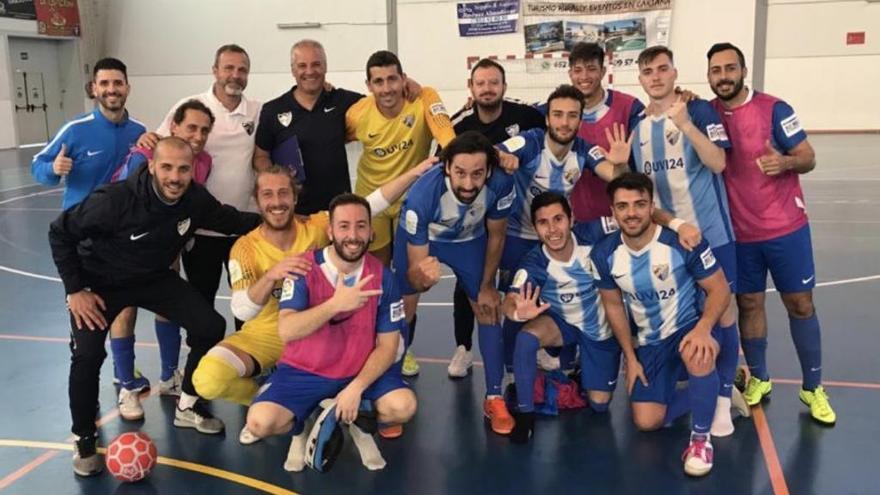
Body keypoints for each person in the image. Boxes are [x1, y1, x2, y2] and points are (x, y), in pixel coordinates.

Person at [49, 137, 262, 477]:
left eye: (183, 168)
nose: (175, 177)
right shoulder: (113, 201)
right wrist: (75, 290)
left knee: (209, 326)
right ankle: (84, 437)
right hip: (100, 283)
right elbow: (59, 232)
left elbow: (230, 220)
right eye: (166, 167)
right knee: (87, 355)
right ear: (151, 166)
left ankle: (188, 403)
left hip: (152, 278)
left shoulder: (194, 200)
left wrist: (282, 219)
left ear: (193, 170)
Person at [192, 157, 435, 444]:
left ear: (295, 198)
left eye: (284, 193)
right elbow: (241, 310)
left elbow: (369, 204)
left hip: (318, 330)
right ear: (257, 201)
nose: (277, 202)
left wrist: (415, 172)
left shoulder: (318, 226)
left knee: (392, 392)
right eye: (267, 194)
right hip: (270, 333)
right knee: (207, 379)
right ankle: (276, 403)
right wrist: (271, 276)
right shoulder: (245, 247)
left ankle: (321, 402)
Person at [707, 42, 834, 424]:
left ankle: (813, 387)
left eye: (730, 68)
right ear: (709, 76)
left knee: (800, 304)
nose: (724, 76)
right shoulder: (706, 113)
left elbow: (809, 156)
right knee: (749, 305)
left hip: (785, 229)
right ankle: (759, 377)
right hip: (739, 235)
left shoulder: (775, 108)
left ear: (743, 71)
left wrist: (787, 161)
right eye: (716, 70)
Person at [244, 194, 417, 468]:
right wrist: (334, 305)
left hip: (359, 371)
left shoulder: (383, 276)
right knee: (259, 422)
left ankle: (358, 420)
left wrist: (356, 388)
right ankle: (299, 431)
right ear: (331, 231)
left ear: (371, 231)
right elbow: (287, 330)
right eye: (344, 226)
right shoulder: (302, 267)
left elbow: (388, 346)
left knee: (403, 407)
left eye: (361, 226)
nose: (353, 234)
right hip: (304, 370)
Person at [633, 46, 747, 436]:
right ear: (641, 79)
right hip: (674, 240)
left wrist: (685, 125)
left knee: (724, 312)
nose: (656, 77)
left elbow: (718, 163)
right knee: (695, 319)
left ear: (674, 72)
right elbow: (644, 197)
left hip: (713, 235)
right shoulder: (637, 128)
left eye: (663, 69)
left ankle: (721, 401)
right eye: (648, 71)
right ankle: (705, 386)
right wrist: (676, 224)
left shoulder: (698, 111)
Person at [592, 173, 734, 477]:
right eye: (623, 206)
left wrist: (703, 327)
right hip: (651, 341)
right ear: (613, 210)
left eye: (639, 204)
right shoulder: (604, 254)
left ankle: (700, 440)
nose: (631, 213)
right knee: (647, 422)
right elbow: (613, 305)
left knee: (697, 352)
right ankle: (713, 391)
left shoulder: (682, 241)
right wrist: (630, 358)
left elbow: (720, 289)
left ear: (651, 206)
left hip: (689, 326)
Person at [31, 57, 151, 409]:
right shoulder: (76, 129)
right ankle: (86, 383)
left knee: (125, 308)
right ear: (94, 88)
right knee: (88, 322)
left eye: (118, 83)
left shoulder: (139, 132)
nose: (112, 89)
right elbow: (38, 165)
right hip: (81, 242)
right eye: (105, 84)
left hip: (123, 240)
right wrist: (53, 169)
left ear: (127, 87)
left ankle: (125, 378)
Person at [497, 84, 631, 373]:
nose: (564, 122)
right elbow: (495, 152)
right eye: (558, 114)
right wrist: (502, 157)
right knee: (517, 302)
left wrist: (619, 165)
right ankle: (510, 368)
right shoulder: (531, 142)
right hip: (518, 236)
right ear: (547, 118)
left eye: (572, 116)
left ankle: (557, 354)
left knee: (563, 292)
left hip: (557, 236)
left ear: (580, 121)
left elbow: (612, 176)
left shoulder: (583, 149)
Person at [393, 131, 515, 435]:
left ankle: (494, 396)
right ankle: (390, 393)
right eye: (460, 173)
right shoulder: (422, 196)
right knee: (403, 310)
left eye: (477, 174)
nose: (469, 184)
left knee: (489, 309)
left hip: (469, 241)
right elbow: (416, 274)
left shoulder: (501, 184)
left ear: (489, 170)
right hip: (424, 243)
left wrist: (488, 284)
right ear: (447, 167)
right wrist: (421, 280)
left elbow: (497, 235)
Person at [345, 49, 456, 375]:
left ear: (403, 78)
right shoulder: (357, 115)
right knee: (375, 280)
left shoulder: (424, 98)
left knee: (409, 281)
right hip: (373, 204)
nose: (387, 88)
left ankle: (402, 347)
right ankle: (373, 346)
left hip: (412, 204)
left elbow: (447, 138)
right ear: (369, 85)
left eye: (393, 78)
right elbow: (325, 135)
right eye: (378, 81)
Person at [139, 44, 262, 331]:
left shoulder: (258, 111)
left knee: (249, 300)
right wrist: (148, 137)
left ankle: (252, 357)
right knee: (200, 302)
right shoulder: (192, 106)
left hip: (242, 227)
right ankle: (203, 362)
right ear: (215, 70)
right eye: (228, 68)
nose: (235, 75)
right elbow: (159, 143)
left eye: (242, 69)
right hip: (200, 229)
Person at [107, 99, 216, 418]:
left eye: (204, 130)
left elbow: (190, 202)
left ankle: (169, 376)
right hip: (124, 246)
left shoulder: (205, 161)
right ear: (174, 127)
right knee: (125, 310)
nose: (197, 135)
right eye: (191, 127)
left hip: (166, 244)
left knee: (169, 305)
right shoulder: (144, 156)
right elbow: (123, 204)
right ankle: (127, 386)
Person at [445, 58, 546, 378]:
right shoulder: (458, 125)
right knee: (468, 285)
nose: (487, 89)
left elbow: (556, 120)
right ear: (471, 88)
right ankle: (463, 347)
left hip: (516, 219)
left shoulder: (528, 115)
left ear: (504, 86)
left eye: (493, 82)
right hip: (473, 221)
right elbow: (444, 166)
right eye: (481, 83)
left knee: (523, 281)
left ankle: (531, 343)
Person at [502, 192, 618, 443]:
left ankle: (578, 370)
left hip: (600, 327)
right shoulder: (534, 262)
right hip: (562, 323)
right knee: (526, 338)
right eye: (543, 223)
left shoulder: (593, 233)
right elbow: (509, 301)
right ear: (535, 228)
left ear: (572, 219)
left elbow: (636, 218)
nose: (552, 229)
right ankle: (525, 415)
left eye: (558, 219)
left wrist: (677, 226)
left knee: (599, 405)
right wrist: (516, 312)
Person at [253, 39, 363, 214]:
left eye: (316, 64)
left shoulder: (343, 101)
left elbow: (380, 100)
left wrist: (407, 83)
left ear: (325, 67)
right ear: (293, 70)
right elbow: (260, 156)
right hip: (294, 213)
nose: (310, 71)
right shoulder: (273, 110)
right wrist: (277, 181)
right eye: (302, 65)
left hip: (337, 211)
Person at [549, 42, 645, 222]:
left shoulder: (630, 107)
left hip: (622, 221)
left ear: (602, 72)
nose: (584, 76)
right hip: (575, 224)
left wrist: (683, 96)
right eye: (577, 70)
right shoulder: (554, 112)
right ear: (570, 74)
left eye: (591, 69)